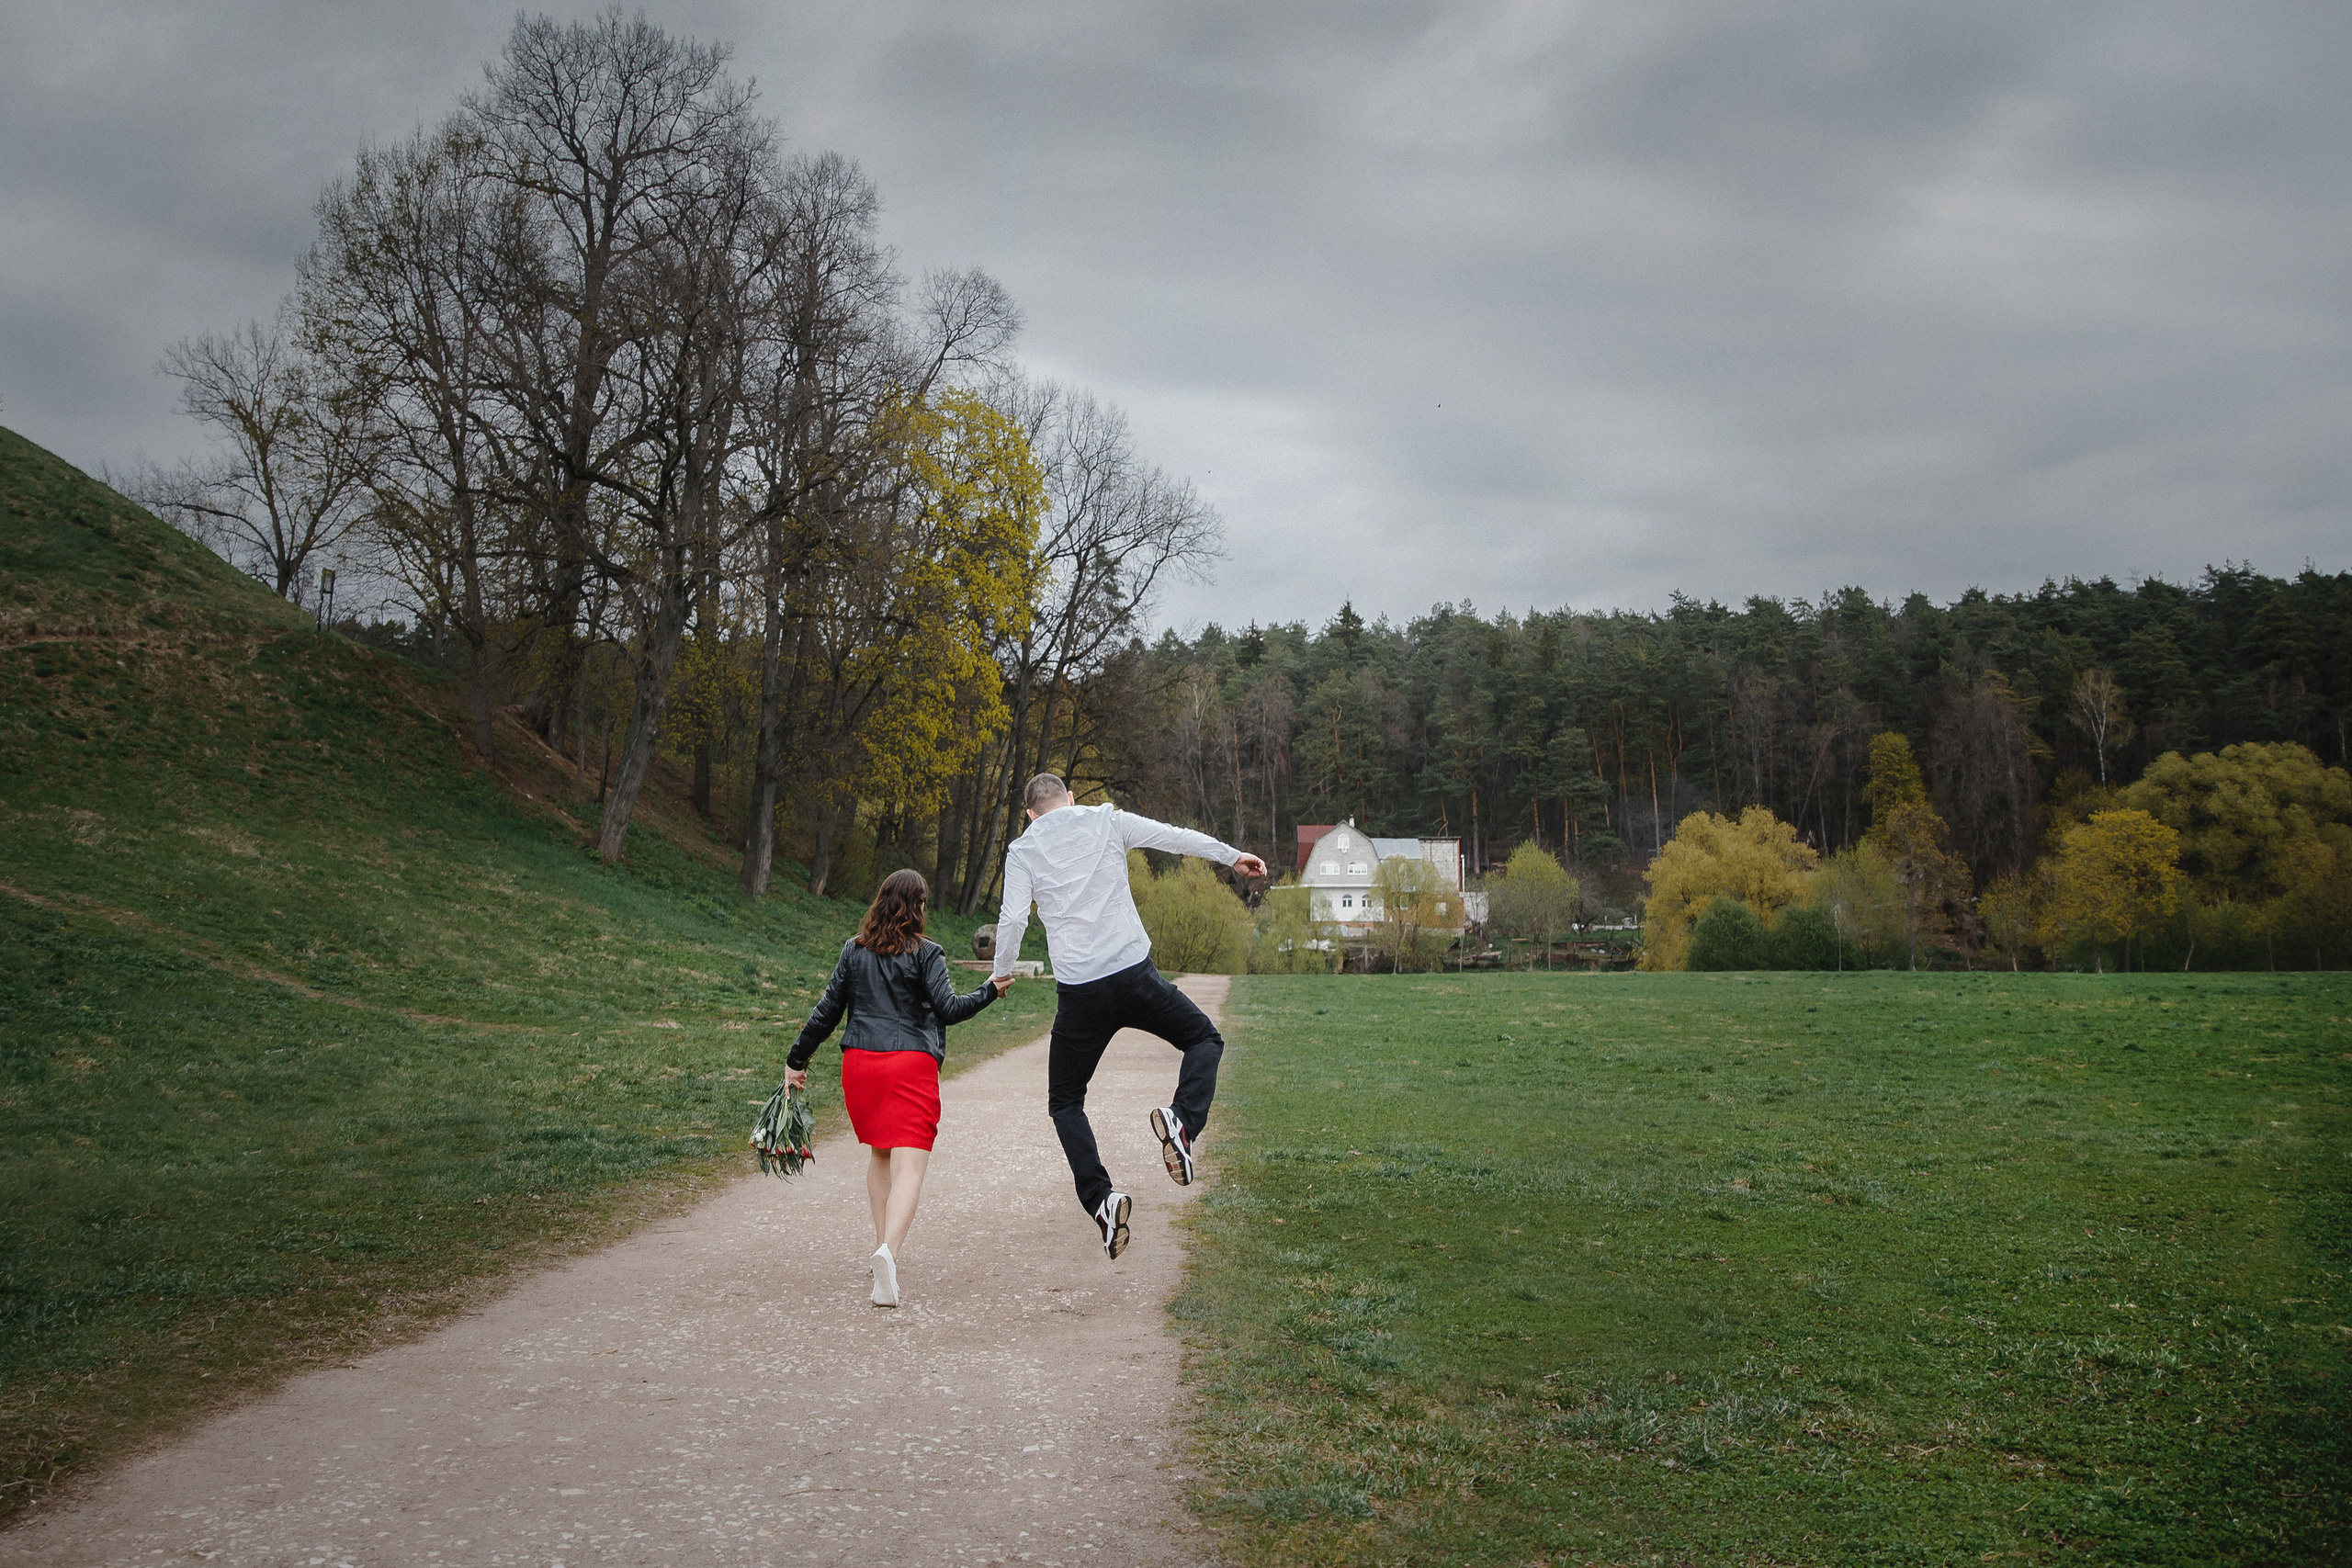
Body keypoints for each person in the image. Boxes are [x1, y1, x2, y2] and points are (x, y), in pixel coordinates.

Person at [990, 773, 1267, 1258]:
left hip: (1079, 993)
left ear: (1031, 814)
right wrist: (1231, 856)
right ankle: (1182, 1121)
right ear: (1071, 799)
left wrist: (1002, 973)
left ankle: (1102, 1200)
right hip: (1134, 975)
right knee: (1203, 1040)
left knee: (1065, 1102)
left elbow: (1013, 919)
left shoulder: (1024, 850)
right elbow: (1173, 836)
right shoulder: (1106, 820)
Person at [787, 868, 1012, 1307]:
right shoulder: (927, 953)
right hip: (910, 1064)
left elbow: (827, 1011)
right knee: (909, 1166)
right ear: (918, 907)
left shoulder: (853, 951)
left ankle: (882, 1252)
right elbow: (948, 1008)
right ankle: (888, 1252)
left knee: (879, 1153)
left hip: (861, 1066)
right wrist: (989, 990)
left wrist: (796, 1061)